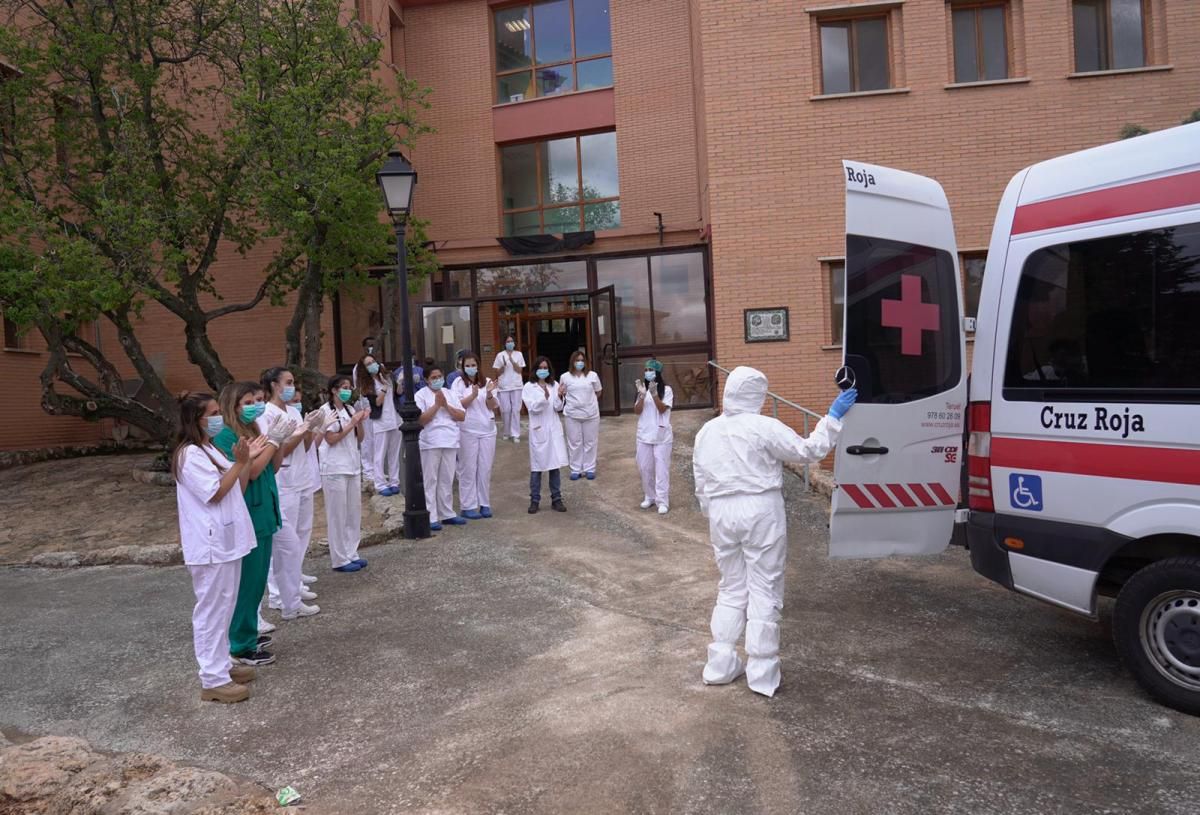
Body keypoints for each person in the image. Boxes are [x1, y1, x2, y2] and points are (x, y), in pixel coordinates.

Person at [692, 366, 857, 698]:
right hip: (760, 508)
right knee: (764, 587)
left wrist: (714, 513)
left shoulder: (706, 432)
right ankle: (762, 672)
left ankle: (721, 664)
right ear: (758, 396)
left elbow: (701, 481)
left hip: (721, 511)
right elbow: (807, 451)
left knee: (731, 587)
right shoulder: (763, 426)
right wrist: (833, 417)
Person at [171, 392, 267, 703]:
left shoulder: (209, 449)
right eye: (211, 413)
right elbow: (213, 493)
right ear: (195, 420)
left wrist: (244, 462)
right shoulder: (189, 455)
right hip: (210, 544)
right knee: (211, 609)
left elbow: (236, 487)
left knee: (225, 605)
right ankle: (212, 679)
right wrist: (240, 463)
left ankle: (222, 664)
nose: (218, 419)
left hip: (227, 541)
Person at [213, 382, 292, 667]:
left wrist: (278, 442)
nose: (255, 406)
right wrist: (271, 443)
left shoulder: (253, 430)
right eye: (248, 402)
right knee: (248, 582)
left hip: (265, 513)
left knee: (256, 580)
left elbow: (273, 466)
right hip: (248, 514)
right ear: (232, 405)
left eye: (257, 400)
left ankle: (246, 633)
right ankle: (241, 645)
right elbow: (253, 472)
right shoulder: (225, 437)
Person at [260, 368, 326, 622]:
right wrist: (300, 432)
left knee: (299, 535)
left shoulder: (295, 411)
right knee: (283, 542)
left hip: (301, 478)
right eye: (287, 383)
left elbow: (305, 446)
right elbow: (280, 450)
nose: (291, 386)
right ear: (274, 385)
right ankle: (278, 594)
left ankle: (293, 584)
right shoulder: (267, 414)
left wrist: (311, 429)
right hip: (283, 481)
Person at [320, 375, 370, 572]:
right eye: (343, 387)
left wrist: (359, 421)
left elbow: (361, 438)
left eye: (349, 387)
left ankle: (351, 553)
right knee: (337, 514)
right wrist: (351, 423)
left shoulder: (350, 409)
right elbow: (331, 438)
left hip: (352, 465)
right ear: (333, 390)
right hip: (334, 467)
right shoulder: (325, 412)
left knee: (352, 513)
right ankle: (339, 559)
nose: (347, 391)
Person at [414, 365, 467, 530]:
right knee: (431, 479)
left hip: (450, 439)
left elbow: (461, 415)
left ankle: (447, 513)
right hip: (430, 441)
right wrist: (437, 406)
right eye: (433, 377)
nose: (437, 380)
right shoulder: (420, 395)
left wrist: (445, 405)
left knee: (446, 478)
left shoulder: (449, 393)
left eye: (439, 376)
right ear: (426, 380)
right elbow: (421, 420)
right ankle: (431, 516)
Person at [451, 351, 499, 520]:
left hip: (487, 430)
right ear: (463, 367)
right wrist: (472, 395)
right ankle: (468, 505)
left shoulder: (486, 382)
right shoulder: (458, 383)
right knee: (468, 468)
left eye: (473, 365)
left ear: (478, 365)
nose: (471, 368)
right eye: (467, 366)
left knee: (485, 468)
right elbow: (458, 405)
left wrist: (489, 393)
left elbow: (493, 406)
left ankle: (484, 503)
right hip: (467, 430)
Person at [522, 356, 568, 514]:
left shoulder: (554, 385)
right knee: (537, 468)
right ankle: (535, 500)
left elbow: (557, 407)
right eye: (540, 368)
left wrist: (560, 395)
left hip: (553, 429)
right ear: (535, 370)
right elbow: (532, 408)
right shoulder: (529, 387)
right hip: (539, 430)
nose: (543, 370)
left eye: (545, 368)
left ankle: (556, 499)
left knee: (554, 466)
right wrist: (544, 398)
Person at [357, 354, 401, 496]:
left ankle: (394, 481)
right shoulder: (367, 384)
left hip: (395, 418)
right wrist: (383, 388)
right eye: (368, 363)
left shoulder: (388, 376)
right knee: (380, 452)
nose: (372, 365)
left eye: (373, 361)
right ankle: (380, 483)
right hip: (381, 421)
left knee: (394, 452)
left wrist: (399, 381)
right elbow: (377, 403)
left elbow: (398, 393)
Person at [634, 359, 674, 515]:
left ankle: (662, 500)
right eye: (645, 369)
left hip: (662, 436)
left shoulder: (667, 390)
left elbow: (663, 409)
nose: (647, 372)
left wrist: (655, 394)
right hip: (644, 435)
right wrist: (643, 396)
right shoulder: (641, 389)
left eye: (650, 369)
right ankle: (649, 496)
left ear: (657, 372)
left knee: (661, 469)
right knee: (644, 468)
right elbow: (637, 411)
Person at [560, 350, 602, 481]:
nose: (579, 363)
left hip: (591, 414)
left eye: (582, 360)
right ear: (572, 362)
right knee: (574, 443)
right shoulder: (565, 377)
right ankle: (575, 469)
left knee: (590, 442)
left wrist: (588, 402)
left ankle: (589, 468)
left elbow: (598, 392)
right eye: (577, 360)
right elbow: (562, 393)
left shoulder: (592, 375)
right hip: (572, 415)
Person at [492, 335, 526, 442]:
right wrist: (504, 365)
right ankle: (506, 432)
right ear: (505, 343)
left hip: (516, 386)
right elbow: (497, 372)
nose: (510, 343)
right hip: (504, 387)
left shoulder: (519, 354)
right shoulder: (500, 355)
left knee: (516, 410)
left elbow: (519, 370)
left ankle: (515, 434)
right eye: (508, 341)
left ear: (514, 343)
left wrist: (512, 361)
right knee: (505, 410)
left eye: (511, 341)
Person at [355, 336, 378, 485]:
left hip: (379, 409)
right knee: (367, 441)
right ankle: (367, 472)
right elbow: (359, 388)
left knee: (377, 441)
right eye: (368, 345)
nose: (371, 348)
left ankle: (377, 471)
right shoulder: (359, 368)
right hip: (366, 407)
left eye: (373, 345)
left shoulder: (378, 366)